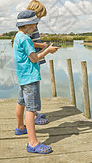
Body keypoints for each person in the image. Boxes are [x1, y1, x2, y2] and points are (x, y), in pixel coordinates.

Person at [13, 10, 59, 154]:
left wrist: (39, 45)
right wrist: (48, 51)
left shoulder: (19, 36)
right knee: (31, 109)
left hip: (22, 77)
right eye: (34, 25)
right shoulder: (26, 39)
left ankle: (20, 127)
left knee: (21, 102)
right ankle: (33, 143)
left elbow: (28, 44)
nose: (35, 27)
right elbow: (34, 59)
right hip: (31, 77)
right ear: (27, 25)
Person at [26, 0, 49, 124]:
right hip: (33, 56)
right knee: (33, 85)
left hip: (36, 55)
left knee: (35, 84)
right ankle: (33, 116)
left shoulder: (31, 23)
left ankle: (34, 113)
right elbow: (27, 42)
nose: (40, 19)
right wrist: (41, 45)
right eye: (40, 15)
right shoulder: (28, 25)